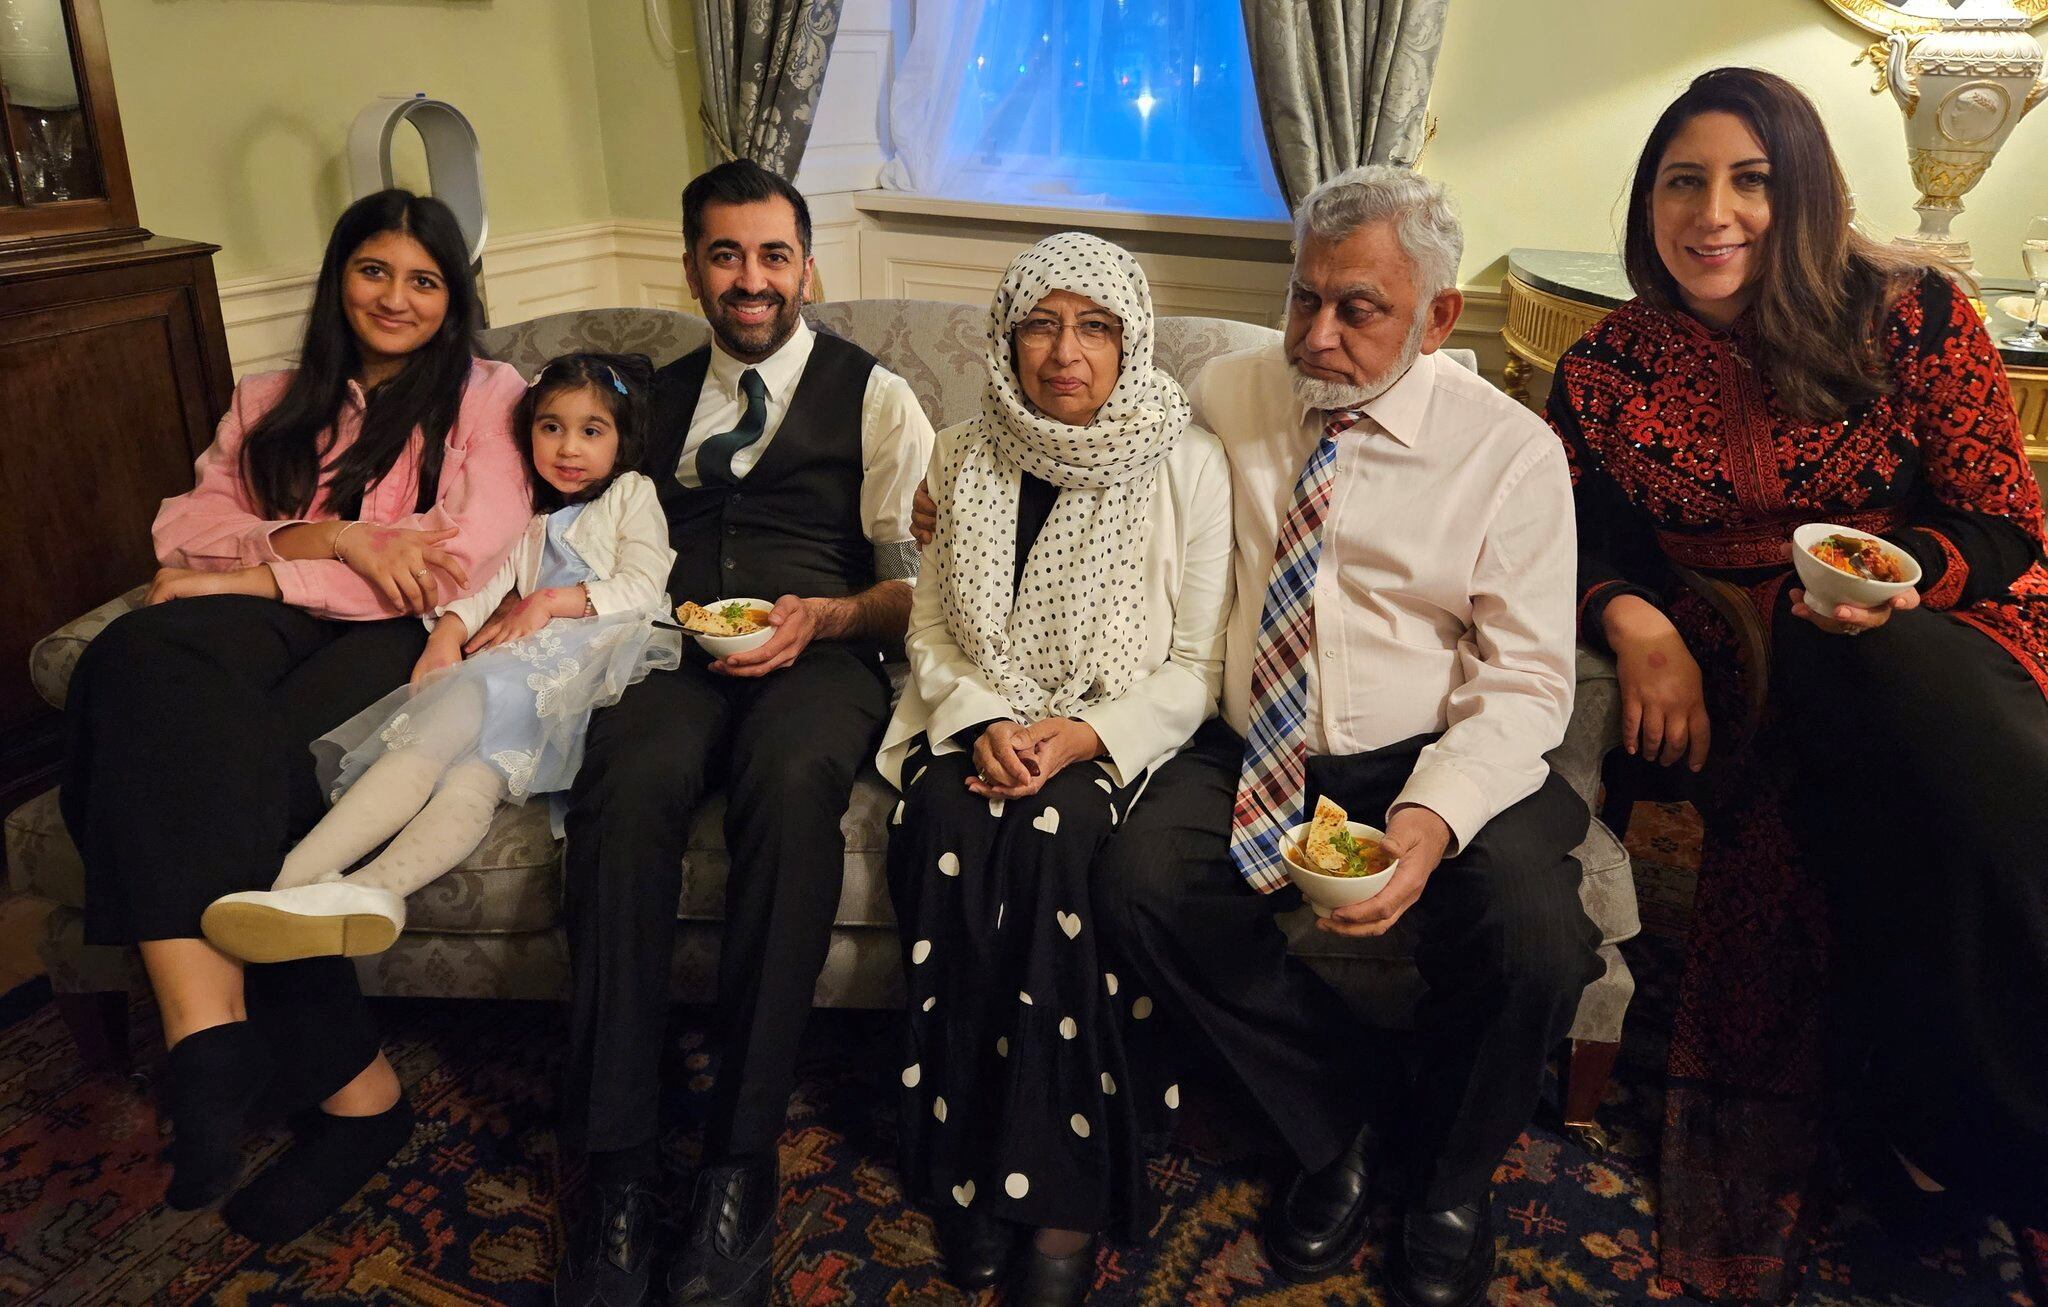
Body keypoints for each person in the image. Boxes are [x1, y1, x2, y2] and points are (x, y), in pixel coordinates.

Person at [1546, 67, 2048, 1302]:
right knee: (1843, 723)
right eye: (1682, 181)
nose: (1712, 213)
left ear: (1804, 190)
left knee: (1914, 771)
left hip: (1949, 628)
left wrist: (1899, 575)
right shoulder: (1604, 368)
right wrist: (1637, 619)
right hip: (1734, 651)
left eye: (1750, 180)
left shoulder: (1912, 313)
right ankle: (1951, 1131)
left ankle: (1951, 1121)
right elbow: (1565, 538)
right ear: (1647, 203)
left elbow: (2000, 522)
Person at [1087, 165, 1597, 1307]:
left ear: (1438, 315)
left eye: (1356, 307)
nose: (1315, 334)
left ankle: (1451, 1182)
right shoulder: (1224, 388)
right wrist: (942, 490)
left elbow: (1523, 676)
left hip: (1428, 748)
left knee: (1534, 937)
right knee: (1135, 882)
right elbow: (1092, 459)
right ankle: (1341, 1122)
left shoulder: (1508, 452)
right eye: (1301, 298)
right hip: (1249, 739)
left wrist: (1426, 817)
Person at [60, 189, 531, 1243]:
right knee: (132, 657)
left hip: (389, 638)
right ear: (338, 278)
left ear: (454, 298)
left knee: (251, 759)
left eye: (424, 279)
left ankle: (330, 1091)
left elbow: (455, 559)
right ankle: (219, 1035)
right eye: (375, 270)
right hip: (298, 597)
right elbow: (184, 534)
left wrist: (278, 566)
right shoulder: (271, 395)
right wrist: (341, 543)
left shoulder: (491, 395)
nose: (396, 297)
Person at [552, 160, 935, 1307]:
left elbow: (916, 589)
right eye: (725, 255)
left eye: (773, 254)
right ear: (692, 271)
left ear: (805, 264)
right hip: (672, 645)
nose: (751, 278)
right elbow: (596, 535)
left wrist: (825, 615)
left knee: (789, 781)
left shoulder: (877, 399)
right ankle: (613, 1161)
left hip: (822, 649)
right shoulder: (649, 399)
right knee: (623, 783)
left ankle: (736, 1156)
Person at [878, 232, 1232, 1305]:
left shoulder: (1190, 461)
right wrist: (983, 718)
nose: (1063, 350)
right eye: (1039, 322)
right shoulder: (957, 451)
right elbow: (930, 630)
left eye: (1094, 326)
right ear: (1005, 336)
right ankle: (967, 1168)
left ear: (1131, 339)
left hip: (1113, 727)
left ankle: (1058, 1196)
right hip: (973, 712)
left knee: (1053, 833)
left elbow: (1194, 664)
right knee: (941, 822)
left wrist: (1080, 735)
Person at [197, 353, 680, 962]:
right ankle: (367, 892)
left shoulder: (632, 495)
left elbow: (645, 583)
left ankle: (283, 886)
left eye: (592, 431)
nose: (567, 448)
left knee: (430, 749)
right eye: (550, 427)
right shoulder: (527, 509)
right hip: (518, 663)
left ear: (623, 441)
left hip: (581, 665)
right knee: (465, 782)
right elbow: (484, 580)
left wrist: (548, 603)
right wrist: (445, 635)